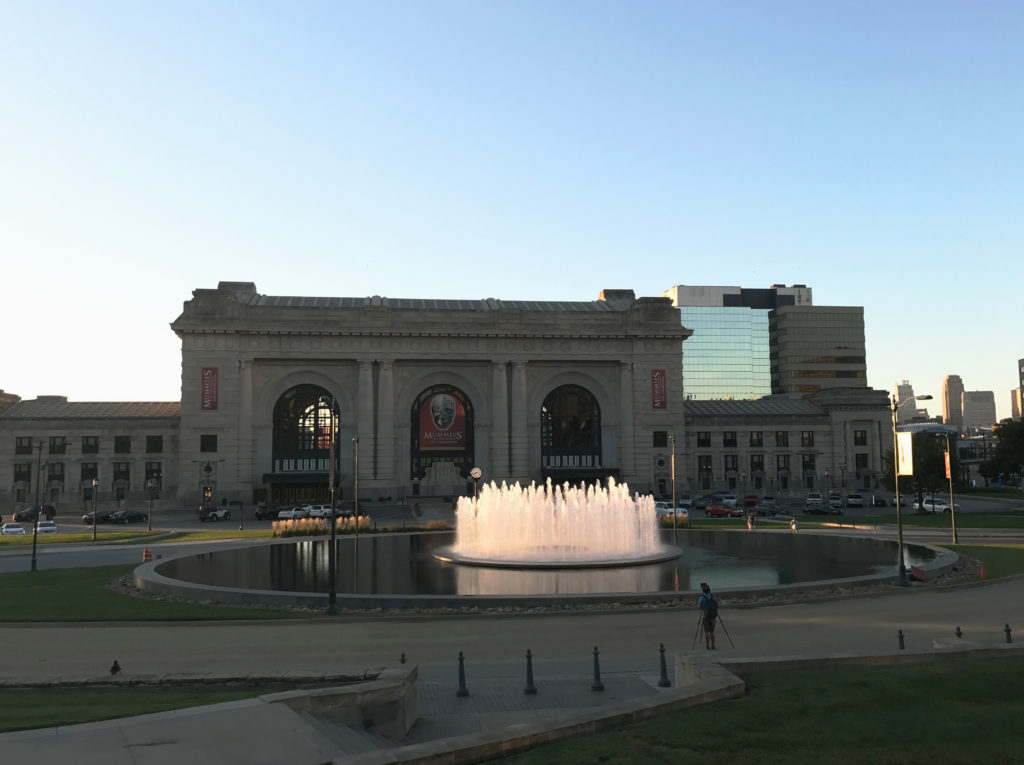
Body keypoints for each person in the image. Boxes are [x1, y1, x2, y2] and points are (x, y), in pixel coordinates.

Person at [698, 582, 717, 650]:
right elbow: (716, 605)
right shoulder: (713, 596)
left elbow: (700, 606)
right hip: (713, 616)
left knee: (707, 632)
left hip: (705, 616)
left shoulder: (702, 598)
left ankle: (707, 645)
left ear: (703, 591)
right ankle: (713, 645)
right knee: (712, 631)